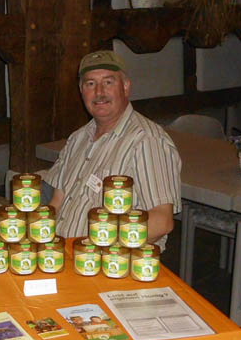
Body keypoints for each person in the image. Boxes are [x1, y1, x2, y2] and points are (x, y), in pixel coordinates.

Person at [48, 49, 181, 249]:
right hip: (60, 254)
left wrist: (95, 250)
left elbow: (161, 222)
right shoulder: (77, 139)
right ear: (81, 90)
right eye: (90, 84)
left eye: (108, 82)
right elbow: (57, 202)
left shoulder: (147, 140)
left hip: (110, 260)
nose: (99, 92)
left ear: (125, 87)